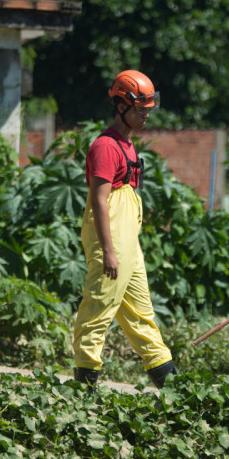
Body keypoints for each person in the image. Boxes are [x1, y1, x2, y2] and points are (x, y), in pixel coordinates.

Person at [70, 69, 177, 390]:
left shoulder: (128, 145)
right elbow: (99, 202)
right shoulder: (106, 146)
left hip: (129, 245)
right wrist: (109, 251)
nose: (146, 116)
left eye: (148, 110)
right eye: (140, 110)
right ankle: (83, 389)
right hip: (111, 245)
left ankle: (173, 388)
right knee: (97, 312)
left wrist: (131, 247)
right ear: (120, 106)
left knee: (142, 315)